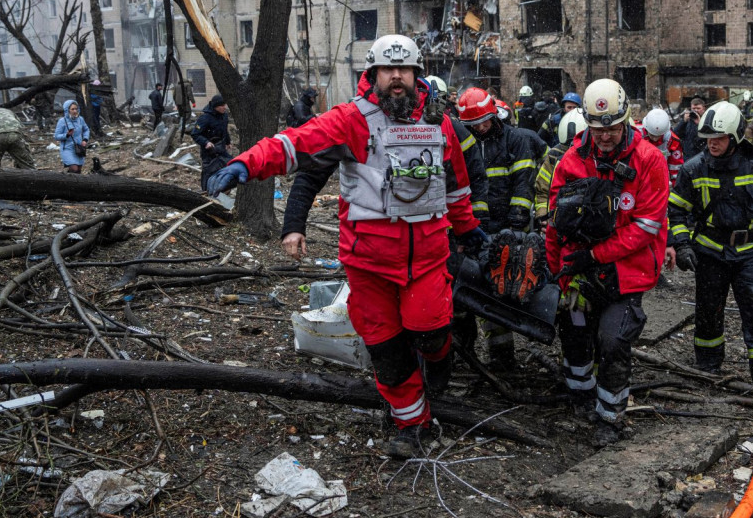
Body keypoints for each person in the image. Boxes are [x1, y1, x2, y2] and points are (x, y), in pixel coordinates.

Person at [204, 34, 485, 459]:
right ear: (372, 75)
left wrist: (469, 231)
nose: (396, 78)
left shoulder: (440, 123)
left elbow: (457, 189)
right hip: (369, 265)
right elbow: (296, 143)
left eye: (403, 70)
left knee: (429, 330)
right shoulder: (351, 120)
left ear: (415, 74)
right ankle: (413, 424)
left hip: (426, 258)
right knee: (387, 352)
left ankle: (438, 365)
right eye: (387, 71)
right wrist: (245, 163)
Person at [546, 78, 669, 445]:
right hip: (579, 268)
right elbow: (556, 221)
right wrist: (559, 272)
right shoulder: (572, 161)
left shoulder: (649, 161)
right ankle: (579, 394)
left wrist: (594, 256)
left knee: (613, 339)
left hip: (626, 270)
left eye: (612, 128)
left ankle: (610, 416)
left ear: (626, 120)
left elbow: (645, 228)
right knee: (574, 331)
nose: (604, 136)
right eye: (598, 129)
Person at [666, 101, 753, 386]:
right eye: (708, 139)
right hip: (709, 251)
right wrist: (682, 244)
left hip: (749, 253)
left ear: (735, 138)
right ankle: (707, 367)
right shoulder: (693, 169)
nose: (712, 144)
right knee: (708, 312)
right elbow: (676, 209)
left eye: (719, 138)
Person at [459, 88, 535, 234]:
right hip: (473, 225)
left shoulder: (514, 139)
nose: (480, 127)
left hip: (509, 223)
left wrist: (517, 223)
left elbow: (523, 182)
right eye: (474, 123)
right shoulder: (464, 142)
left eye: (483, 121)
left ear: (493, 114)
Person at [534, 109, 588, 222]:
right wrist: (544, 217)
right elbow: (542, 190)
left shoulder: (595, 157)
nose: (571, 153)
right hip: (557, 219)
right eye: (569, 146)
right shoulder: (554, 156)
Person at [192, 95, 233, 192]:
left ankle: (222, 190)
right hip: (209, 150)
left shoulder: (224, 116)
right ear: (216, 106)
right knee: (208, 171)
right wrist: (206, 142)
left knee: (227, 166)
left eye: (225, 105)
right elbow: (195, 134)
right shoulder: (205, 118)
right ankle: (206, 192)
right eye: (222, 106)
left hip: (221, 147)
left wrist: (228, 142)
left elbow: (224, 130)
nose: (224, 107)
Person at [639, 108, 684, 186]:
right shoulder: (636, 135)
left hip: (659, 180)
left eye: (658, 136)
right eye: (652, 135)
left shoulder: (672, 141)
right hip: (638, 176)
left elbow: (676, 168)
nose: (655, 139)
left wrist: (675, 187)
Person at [53, 100, 91, 173]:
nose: (75, 111)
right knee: (74, 168)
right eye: (72, 109)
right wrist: (66, 135)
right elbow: (56, 136)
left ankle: (74, 183)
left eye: (76, 109)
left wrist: (85, 140)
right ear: (67, 110)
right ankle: (67, 179)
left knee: (78, 170)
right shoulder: (62, 121)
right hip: (67, 148)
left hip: (78, 148)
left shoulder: (80, 119)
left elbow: (86, 129)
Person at [672, 96, 708, 160]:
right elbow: (675, 135)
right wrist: (684, 121)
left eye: (698, 108)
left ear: (703, 109)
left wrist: (699, 124)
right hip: (687, 157)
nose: (696, 110)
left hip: (701, 157)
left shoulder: (707, 121)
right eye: (694, 108)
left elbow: (705, 139)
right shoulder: (687, 121)